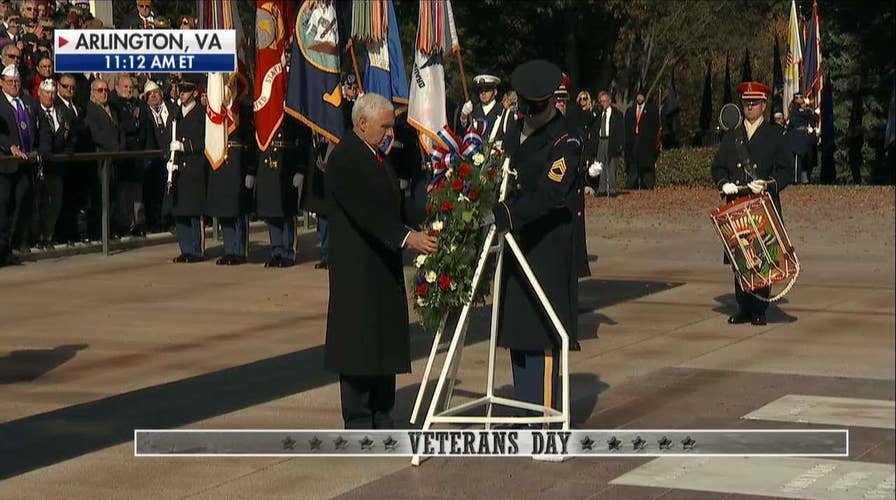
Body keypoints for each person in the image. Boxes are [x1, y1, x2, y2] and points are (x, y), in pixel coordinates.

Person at [324, 93, 437, 429]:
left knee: (384, 339)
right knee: (359, 342)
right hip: (357, 268)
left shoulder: (376, 156)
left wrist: (432, 212)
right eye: (385, 126)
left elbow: (395, 205)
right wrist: (408, 238)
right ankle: (359, 418)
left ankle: (383, 412)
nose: (391, 132)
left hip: (382, 264)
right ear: (362, 124)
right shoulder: (345, 158)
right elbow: (368, 213)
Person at [487, 59, 589, 419]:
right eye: (525, 107)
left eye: (536, 108)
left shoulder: (567, 138)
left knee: (543, 333)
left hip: (546, 246)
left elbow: (550, 192)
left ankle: (543, 418)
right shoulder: (515, 130)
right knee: (518, 331)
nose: (529, 114)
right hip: (517, 246)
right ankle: (523, 410)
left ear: (549, 102)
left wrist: (510, 213)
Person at [711, 81, 791, 326]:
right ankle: (743, 306)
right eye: (746, 103)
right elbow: (718, 166)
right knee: (740, 256)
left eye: (754, 103)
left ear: (764, 105)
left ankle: (759, 308)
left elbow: (786, 170)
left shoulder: (774, 134)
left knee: (762, 256)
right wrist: (724, 183)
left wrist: (768, 183)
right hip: (738, 204)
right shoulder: (732, 135)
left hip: (762, 204)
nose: (749, 107)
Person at [205, 74, 256, 265]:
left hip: (238, 164)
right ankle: (229, 249)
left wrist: (251, 170)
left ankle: (239, 250)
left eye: (232, 84)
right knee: (224, 209)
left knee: (237, 210)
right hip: (222, 160)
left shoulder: (243, 110)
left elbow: (250, 142)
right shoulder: (220, 104)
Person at [0, 63, 45, 265]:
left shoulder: (29, 102)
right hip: (5, 166)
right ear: (2, 83)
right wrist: (9, 146)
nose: (14, 85)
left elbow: (42, 127)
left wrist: (41, 149)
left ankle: (10, 247)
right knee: (3, 208)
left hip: (26, 165)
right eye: (10, 82)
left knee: (20, 207)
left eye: (17, 81)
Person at [256, 118, 310, 268]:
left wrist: (300, 169)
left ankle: (288, 252)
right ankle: (276, 250)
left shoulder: (291, 113)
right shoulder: (266, 110)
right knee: (271, 212)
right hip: (268, 163)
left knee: (286, 212)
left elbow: (303, 141)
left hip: (287, 165)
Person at [167, 80, 207, 263]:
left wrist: (186, 146)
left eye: (186, 90)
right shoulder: (175, 114)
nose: (182, 94)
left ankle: (196, 249)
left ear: (195, 93)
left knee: (193, 210)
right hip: (177, 167)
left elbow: (204, 140)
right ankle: (185, 248)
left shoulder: (201, 113)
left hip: (193, 166)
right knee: (180, 211)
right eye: (180, 90)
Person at [624, 87, 661, 189]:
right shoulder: (630, 111)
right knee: (633, 167)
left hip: (646, 143)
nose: (639, 98)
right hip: (633, 142)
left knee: (646, 169)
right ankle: (632, 185)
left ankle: (647, 185)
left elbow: (656, 128)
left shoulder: (652, 111)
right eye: (638, 96)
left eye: (641, 96)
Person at [592, 90, 625, 197]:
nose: (603, 103)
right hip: (601, 140)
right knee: (600, 164)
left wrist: (620, 144)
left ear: (610, 101)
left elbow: (620, 130)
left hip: (611, 140)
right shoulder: (598, 114)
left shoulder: (616, 114)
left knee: (611, 165)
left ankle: (612, 189)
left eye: (605, 101)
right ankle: (601, 188)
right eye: (601, 101)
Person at [786, 92, 814, 184]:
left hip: (804, 136)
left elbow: (811, 115)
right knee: (797, 159)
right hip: (796, 137)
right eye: (797, 98)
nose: (799, 99)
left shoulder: (804, 110)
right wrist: (806, 106)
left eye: (800, 97)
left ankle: (804, 178)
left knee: (806, 159)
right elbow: (803, 113)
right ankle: (796, 179)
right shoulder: (795, 109)